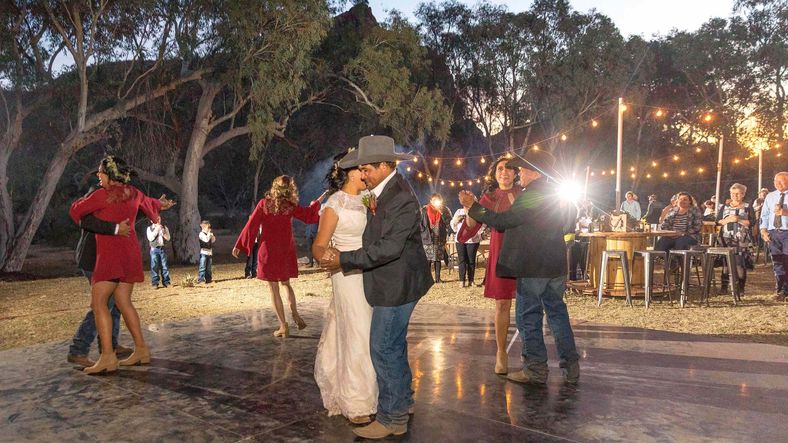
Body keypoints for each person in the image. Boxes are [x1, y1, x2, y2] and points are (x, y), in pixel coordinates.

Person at [321, 135, 433, 439]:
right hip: (393, 279)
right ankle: (403, 402)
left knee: (382, 348)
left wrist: (343, 260)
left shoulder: (400, 197)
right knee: (394, 345)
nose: (363, 174)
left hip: (397, 283)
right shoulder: (384, 190)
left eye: (366, 169)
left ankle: (391, 418)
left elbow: (388, 248)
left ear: (385, 166)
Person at [459, 148, 579, 385]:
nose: (519, 173)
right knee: (557, 316)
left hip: (534, 267)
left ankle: (535, 370)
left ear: (535, 172)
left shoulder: (532, 194)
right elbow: (569, 219)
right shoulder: (555, 194)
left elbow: (503, 221)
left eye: (522, 169)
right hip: (556, 266)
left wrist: (473, 206)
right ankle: (571, 367)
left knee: (529, 317)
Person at [69, 155, 171, 374]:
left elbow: (76, 211)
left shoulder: (101, 195)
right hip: (130, 253)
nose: (98, 175)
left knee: (99, 304)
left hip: (110, 255)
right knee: (124, 302)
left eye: (101, 172)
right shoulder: (134, 193)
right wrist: (159, 204)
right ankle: (141, 350)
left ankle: (107, 357)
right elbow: (149, 204)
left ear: (110, 174)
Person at [312, 150, 377, 425]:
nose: (366, 173)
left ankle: (376, 392)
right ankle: (356, 400)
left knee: (370, 333)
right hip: (346, 274)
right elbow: (318, 246)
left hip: (372, 270)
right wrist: (327, 257)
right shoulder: (335, 203)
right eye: (362, 169)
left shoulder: (369, 199)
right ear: (350, 172)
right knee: (358, 332)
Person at [232, 176, 325, 337]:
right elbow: (309, 215)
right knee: (286, 284)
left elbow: (252, 224)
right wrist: (319, 200)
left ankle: (283, 326)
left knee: (273, 289)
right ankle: (295, 314)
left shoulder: (264, 204)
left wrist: (239, 245)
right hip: (285, 250)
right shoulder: (290, 206)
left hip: (268, 251)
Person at [457, 156, 519, 375]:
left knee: (528, 305)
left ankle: (531, 354)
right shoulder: (489, 198)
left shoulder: (524, 193)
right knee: (502, 305)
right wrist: (469, 208)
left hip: (525, 254)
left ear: (516, 173)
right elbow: (469, 230)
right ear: (494, 173)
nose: (504, 172)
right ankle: (501, 352)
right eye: (500, 168)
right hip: (501, 255)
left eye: (509, 168)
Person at [67, 184, 133, 367]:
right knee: (103, 303)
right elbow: (87, 221)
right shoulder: (98, 194)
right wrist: (115, 228)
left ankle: (110, 345)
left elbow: (130, 215)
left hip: (109, 259)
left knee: (116, 302)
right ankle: (78, 349)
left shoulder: (120, 195)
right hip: (94, 259)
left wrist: (155, 207)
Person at [716, 183, 755, 293]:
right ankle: (724, 287)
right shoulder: (725, 207)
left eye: (737, 194)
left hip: (741, 239)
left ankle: (740, 288)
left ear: (743, 194)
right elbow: (718, 221)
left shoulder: (747, 207)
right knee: (726, 264)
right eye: (732, 193)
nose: (735, 196)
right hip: (726, 238)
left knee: (739, 263)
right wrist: (728, 220)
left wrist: (738, 220)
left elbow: (752, 222)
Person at [759, 172, 788, 301]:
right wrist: (763, 231)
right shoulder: (770, 196)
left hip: (787, 232)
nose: (777, 184)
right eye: (775, 181)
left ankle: (786, 291)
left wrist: (785, 212)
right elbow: (764, 215)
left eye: (781, 181)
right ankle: (780, 290)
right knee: (777, 263)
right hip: (773, 233)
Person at [420, 193, 452, 283]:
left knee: (438, 259)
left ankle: (438, 279)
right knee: (428, 259)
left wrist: (442, 213)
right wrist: (423, 232)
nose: (436, 202)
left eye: (438, 200)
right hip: (427, 238)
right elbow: (420, 223)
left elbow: (449, 222)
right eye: (434, 200)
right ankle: (427, 279)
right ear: (431, 201)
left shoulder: (444, 210)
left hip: (439, 237)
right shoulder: (424, 209)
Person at [450, 206, 481, 288]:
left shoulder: (477, 211)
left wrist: (478, 233)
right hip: (460, 240)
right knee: (462, 260)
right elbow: (453, 223)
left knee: (471, 261)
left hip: (472, 240)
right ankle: (462, 281)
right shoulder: (459, 211)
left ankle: (471, 280)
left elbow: (482, 224)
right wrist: (456, 221)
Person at [147, 218, 171, 288]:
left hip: (162, 248)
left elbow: (168, 238)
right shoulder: (149, 228)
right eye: (156, 219)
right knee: (154, 266)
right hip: (154, 249)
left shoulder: (164, 227)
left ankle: (166, 282)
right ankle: (155, 283)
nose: (158, 220)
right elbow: (150, 238)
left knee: (164, 266)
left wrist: (163, 232)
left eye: (159, 219)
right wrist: (157, 229)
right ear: (152, 221)